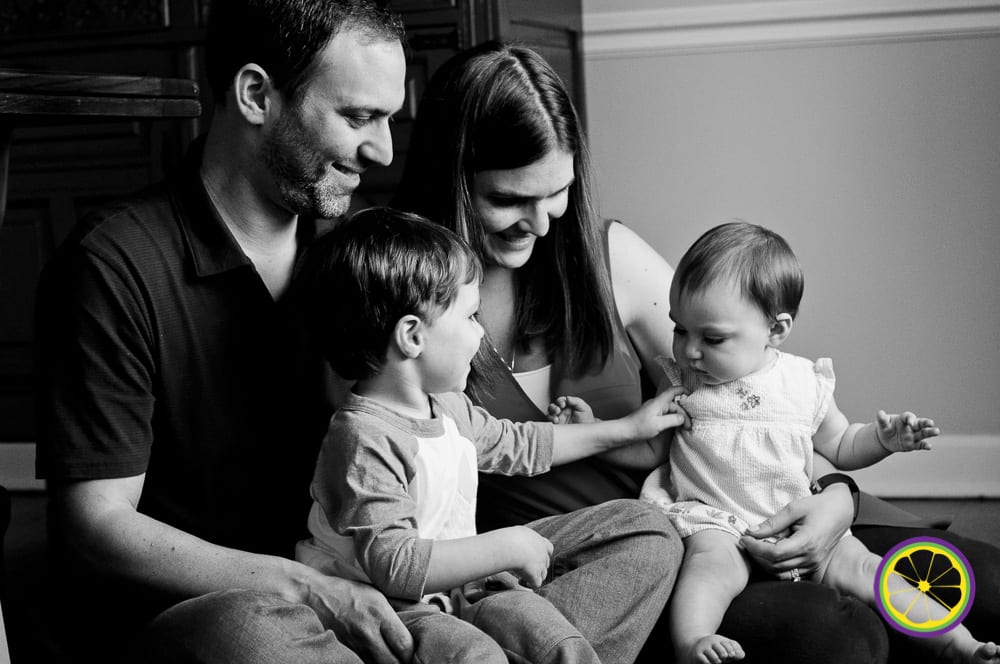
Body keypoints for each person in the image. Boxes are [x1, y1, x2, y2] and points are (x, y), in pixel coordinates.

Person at [392, 40, 1000, 663]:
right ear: (453, 181)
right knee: (842, 638)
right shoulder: (407, 316)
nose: (543, 223)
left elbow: (755, 391)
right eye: (508, 200)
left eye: (558, 192)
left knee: (991, 585)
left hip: (779, 500)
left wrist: (835, 498)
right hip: (672, 559)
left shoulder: (604, 258)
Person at [33, 1, 417, 662]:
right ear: (255, 95)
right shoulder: (113, 264)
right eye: (358, 116)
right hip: (193, 620)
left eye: (387, 118)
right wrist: (302, 587)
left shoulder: (359, 251)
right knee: (254, 633)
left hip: (350, 589)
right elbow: (95, 524)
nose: (381, 150)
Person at [553, 221, 998, 664]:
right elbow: (652, 451)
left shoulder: (803, 382)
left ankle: (957, 644)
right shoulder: (683, 384)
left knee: (872, 570)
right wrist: (598, 430)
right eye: (679, 329)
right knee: (707, 569)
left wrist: (882, 440)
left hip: (801, 519)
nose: (689, 350)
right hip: (720, 523)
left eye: (711, 338)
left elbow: (841, 444)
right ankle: (693, 641)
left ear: (776, 329)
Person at [294, 207, 688, 663]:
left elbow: (520, 444)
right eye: (470, 317)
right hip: (400, 607)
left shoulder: (445, 405)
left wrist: (628, 428)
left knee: (647, 529)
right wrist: (506, 547)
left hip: (469, 588)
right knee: (477, 654)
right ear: (412, 337)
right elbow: (395, 566)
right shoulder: (363, 438)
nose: (481, 335)